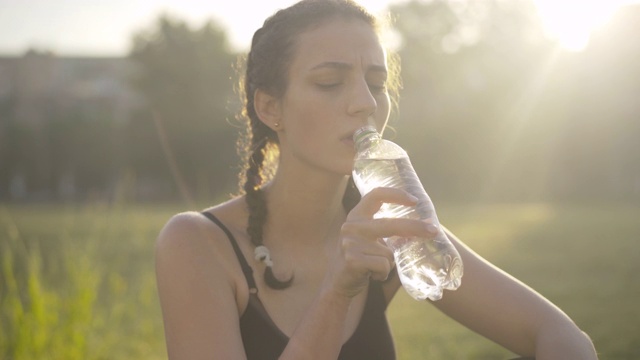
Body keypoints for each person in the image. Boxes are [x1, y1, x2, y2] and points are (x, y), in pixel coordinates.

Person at [154, 0, 598, 359]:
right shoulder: (197, 245)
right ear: (270, 108)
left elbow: (559, 335)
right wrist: (337, 292)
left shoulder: (391, 228)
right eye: (330, 82)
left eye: (377, 82)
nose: (365, 103)